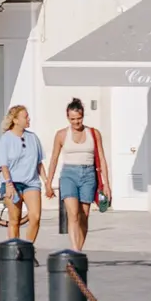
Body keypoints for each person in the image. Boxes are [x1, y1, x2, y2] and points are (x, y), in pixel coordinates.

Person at [44, 97, 108, 252]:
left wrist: (107, 185)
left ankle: (78, 248)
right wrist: (48, 182)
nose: (76, 122)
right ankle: (75, 251)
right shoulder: (61, 135)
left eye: (79, 119)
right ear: (68, 118)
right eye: (72, 119)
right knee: (72, 214)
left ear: (83, 116)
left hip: (88, 174)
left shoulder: (93, 133)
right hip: (68, 174)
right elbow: (54, 159)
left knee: (84, 215)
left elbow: (102, 158)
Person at [0, 105, 44, 242]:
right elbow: (3, 165)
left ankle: (28, 248)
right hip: (12, 183)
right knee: (14, 220)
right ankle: (15, 252)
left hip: (31, 183)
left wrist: (47, 181)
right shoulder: (6, 139)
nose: (29, 119)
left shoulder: (33, 138)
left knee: (35, 217)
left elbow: (39, 162)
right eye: (25, 116)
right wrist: (9, 184)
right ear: (16, 120)